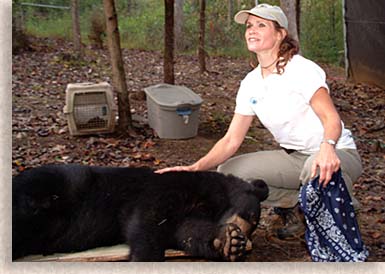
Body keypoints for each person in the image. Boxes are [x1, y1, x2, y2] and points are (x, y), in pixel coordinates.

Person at [156, 3, 363, 240]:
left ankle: (343, 207)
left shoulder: (302, 70)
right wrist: (195, 168)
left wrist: (327, 147)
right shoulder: (251, 83)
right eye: (249, 25)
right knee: (231, 172)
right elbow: (232, 140)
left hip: (337, 151)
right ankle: (297, 205)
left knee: (314, 166)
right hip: (295, 157)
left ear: (280, 33)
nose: (251, 30)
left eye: (261, 25)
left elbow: (331, 118)